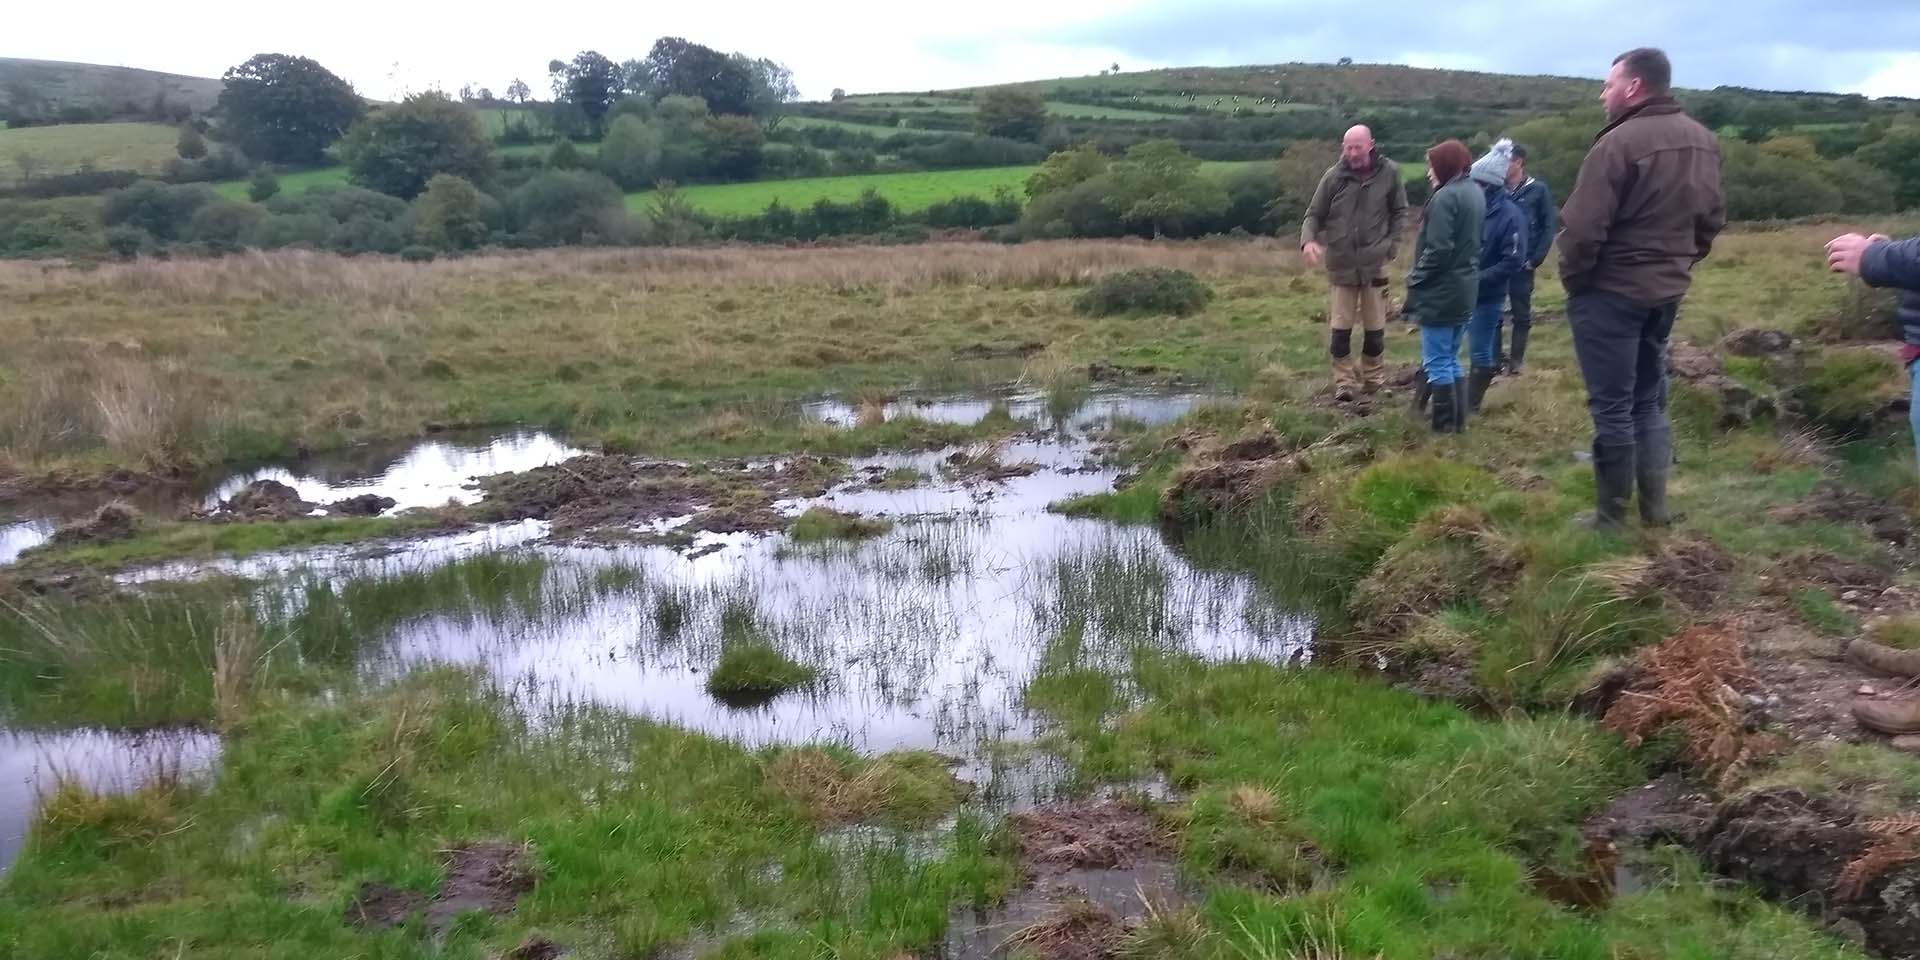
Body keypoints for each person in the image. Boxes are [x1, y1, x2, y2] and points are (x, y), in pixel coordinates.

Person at [1558, 47, 1725, 530]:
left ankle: (1610, 517)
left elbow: (1583, 228)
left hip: (1610, 292)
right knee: (1648, 399)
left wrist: (1578, 280)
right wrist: (1679, 263)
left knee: (1611, 405)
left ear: (1634, 87)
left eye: (1609, 84)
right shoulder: (1704, 142)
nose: (1603, 93)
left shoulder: (1616, 144)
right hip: (1666, 293)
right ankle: (1655, 512)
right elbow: (1711, 221)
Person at [1302, 125, 1412, 402]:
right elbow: (1313, 214)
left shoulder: (1389, 173)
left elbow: (1400, 212)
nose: (1352, 153)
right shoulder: (1333, 177)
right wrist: (1308, 241)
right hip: (1341, 264)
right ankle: (1344, 382)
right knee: (1340, 331)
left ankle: (1374, 380)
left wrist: (1392, 245)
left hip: (1375, 263)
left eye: (1358, 147)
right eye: (1347, 147)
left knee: (1375, 330)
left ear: (1371, 145)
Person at [1404, 139, 1482, 433]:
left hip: (1442, 292)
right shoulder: (1474, 191)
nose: (1428, 173)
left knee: (1437, 360)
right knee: (1451, 358)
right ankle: (1457, 426)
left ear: (1444, 166)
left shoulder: (1445, 197)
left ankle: (1444, 428)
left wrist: (1415, 278)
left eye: (1431, 165)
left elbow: (1438, 250)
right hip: (1465, 290)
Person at [1465, 140, 1527, 414]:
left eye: (1475, 182)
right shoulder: (1471, 209)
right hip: (1462, 292)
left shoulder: (1510, 216)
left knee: (1481, 352)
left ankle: (1471, 406)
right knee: (1457, 349)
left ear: (1487, 184)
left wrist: (1478, 279)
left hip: (1487, 296)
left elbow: (1513, 260)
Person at [1503, 144, 1556, 374]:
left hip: (1523, 263)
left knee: (1521, 314)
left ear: (1518, 162)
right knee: (1493, 313)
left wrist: (1536, 259)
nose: (1503, 167)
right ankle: (1493, 361)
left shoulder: (1538, 190)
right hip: (1498, 262)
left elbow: (1548, 226)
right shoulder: (1495, 188)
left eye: (1507, 161)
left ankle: (1516, 362)